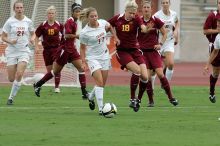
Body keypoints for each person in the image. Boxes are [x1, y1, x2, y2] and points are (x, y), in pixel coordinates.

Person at [33, 3, 89, 99]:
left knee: (81, 69)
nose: (78, 13)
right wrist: (78, 36)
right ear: (72, 12)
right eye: (76, 11)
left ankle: (84, 93)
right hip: (65, 50)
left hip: (72, 49)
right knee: (55, 72)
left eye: (79, 11)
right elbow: (67, 35)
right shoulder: (69, 22)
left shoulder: (74, 22)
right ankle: (38, 84)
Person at [108, 0, 149, 112]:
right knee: (137, 71)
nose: (132, 15)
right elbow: (108, 25)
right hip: (122, 52)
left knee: (145, 77)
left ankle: (138, 100)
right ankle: (132, 99)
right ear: (125, 10)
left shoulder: (136, 18)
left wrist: (145, 28)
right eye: (130, 13)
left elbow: (142, 27)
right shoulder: (117, 18)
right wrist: (115, 37)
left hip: (135, 51)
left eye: (134, 13)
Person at [136, 1, 178, 108]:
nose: (146, 9)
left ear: (151, 9)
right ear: (142, 9)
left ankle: (171, 97)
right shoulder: (139, 21)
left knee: (160, 74)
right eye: (144, 7)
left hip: (154, 52)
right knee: (147, 77)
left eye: (148, 7)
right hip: (143, 53)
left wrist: (160, 44)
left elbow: (164, 33)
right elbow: (136, 33)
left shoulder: (156, 20)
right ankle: (146, 100)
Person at [79, 7, 119, 115]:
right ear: (87, 18)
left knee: (101, 84)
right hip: (92, 59)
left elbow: (110, 27)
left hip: (105, 57)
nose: (94, 18)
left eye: (95, 16)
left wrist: (115, 37)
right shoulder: (84, 33)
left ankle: (91, 98)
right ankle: (101, 109)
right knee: (100, 82)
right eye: (92, 16)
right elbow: (82, 48)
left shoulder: (102, 23)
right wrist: (83, 62)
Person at [1, 0, 35, 105]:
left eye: (21, 7)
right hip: (11, 51)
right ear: (14, 9)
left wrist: (32, 39)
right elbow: (3, 36)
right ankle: (18, 82)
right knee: (11, 78)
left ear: (23, 9)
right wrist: (11, 41)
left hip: (24, 50)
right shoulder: (9, 21)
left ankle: (11, 98)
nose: (19, 9)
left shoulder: (28, 21)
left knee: (19, 73)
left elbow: (33, 33)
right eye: (17, 8)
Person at [35, 5, 64, 93]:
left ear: (55, 14)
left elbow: (64, 35)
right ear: (47, 14)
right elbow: (36, 36)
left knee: (56, 68)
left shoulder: (59, 24)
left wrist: (63, 46)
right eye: (49, 13)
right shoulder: (43, 25)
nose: (51, 15)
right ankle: (38, 84)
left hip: (56, 49)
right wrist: (36, 46)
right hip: (46, 50)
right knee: (50, 72)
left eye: (52, 13)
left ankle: (57, 87)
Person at [152, 0, 179, 85]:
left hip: (169, 41)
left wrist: (176, 32)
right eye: (163, 3)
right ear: (161, 4)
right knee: (154, 69)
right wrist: (162, 30)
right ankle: (150, 88)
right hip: (158, 42)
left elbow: (177, 22)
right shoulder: (156, 15)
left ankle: (165, 84)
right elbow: (152, 28)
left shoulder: (174, 14)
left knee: (170, 64)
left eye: (166, 2)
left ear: (169, 4)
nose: (165, 4)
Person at [203, 0, 220, 103]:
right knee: (216, 71)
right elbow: (205, 31)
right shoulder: (212, 15)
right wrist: (217, 31)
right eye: (219, 3)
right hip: (215, 45)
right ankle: (212, 92)